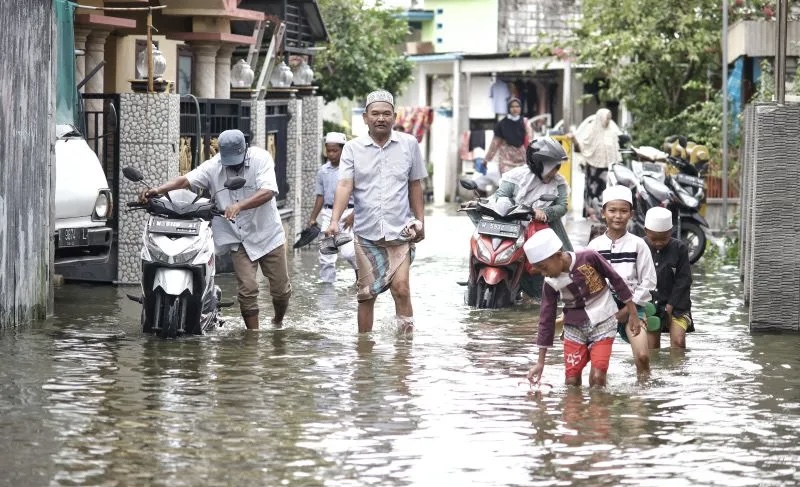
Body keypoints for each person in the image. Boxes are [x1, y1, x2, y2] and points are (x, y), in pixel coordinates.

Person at [139, 129, 291, 330]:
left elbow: (269, 191)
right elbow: (186, 180)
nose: (233, 166)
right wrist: (158, 190)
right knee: (247, 290)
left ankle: (278, 322)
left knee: (281, 291)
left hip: (268, 234)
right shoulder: (215, 165)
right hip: (238, 238)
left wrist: (239, 205)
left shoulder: (261, 159)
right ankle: (253, 339)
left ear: (245, 149)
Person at [324, 90, 428, 334]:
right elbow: (344, 185)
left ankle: (405, 350)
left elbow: (415, 185)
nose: (381, 118)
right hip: (366, 234)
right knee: (366, 295)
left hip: (400, 231)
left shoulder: (409, 144)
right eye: (375, 114)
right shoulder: (352, 148)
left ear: (394, 116)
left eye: (386, 114)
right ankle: (364, 351)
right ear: (365, 118)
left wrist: (421, 221)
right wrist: (334, 221)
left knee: (401, 288)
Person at [525, 228, 639, 388]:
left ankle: (598, 410)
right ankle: (574, 411)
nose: (544, 274)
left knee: (598, 378)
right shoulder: (550, 283)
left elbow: (615, 279)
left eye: (545, 268)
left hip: (604, 323)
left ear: (558, 256)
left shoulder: (588, 257)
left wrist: (633, 313)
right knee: (571, 381)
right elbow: (546, 319)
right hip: (574, 329)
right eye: (540, 270)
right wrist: (540, 362)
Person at [587, 185, 657, 376]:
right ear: (603, 213)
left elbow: (648, 282)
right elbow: (588, 281)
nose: (618, 216)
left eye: (623, 211)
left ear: (631, 214)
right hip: (603, 310)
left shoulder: (638, 244)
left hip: (634, 308)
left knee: (643, 357)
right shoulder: (594, 246)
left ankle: (643, 397)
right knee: (598, 367)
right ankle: (599, 400)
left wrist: (629, 309)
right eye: (612, 210)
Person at [492, 137, 573, 299]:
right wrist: (509, 206)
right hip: (513, 228)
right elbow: (500, 195)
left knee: (564, 267)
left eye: (557, 167)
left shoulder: (559, 183)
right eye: (552, 167)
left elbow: (562, 206)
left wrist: (545, 213)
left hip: (547, 229)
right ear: (539, 164)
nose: (556, 171)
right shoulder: (515, 177)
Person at [306, 132, 358, 284]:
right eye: (328, 150)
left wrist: (354, 214)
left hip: (349, 213)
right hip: (328, 214)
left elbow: (362, 195)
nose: (331, 154)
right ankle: (327, 289)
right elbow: (320, 196)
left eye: (335, 150)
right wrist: (313, 217)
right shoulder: (323, 170)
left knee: (349, 252)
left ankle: (361, 275)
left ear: (343, 150)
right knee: (326, 254)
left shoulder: (351, 169)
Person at [643, 207, 694, 349]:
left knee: (678, 342)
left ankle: (677, 371)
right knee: (651, 349)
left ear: (670, 232)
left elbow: (684, 280)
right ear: (645, 231)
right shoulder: (639, 246)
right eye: (654, 239)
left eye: (664, 239)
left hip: (677, 305)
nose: (658, 243)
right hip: (649, 306)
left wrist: (670, 306)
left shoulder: (680, 248)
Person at [571, 108, 622, 220]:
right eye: (606, 118)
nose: (608, 120)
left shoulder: (611, 131)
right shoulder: (591, 130)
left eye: (609, 118)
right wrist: (574, 140)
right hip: (592, 167)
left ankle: (601, 212)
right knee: (591, 190)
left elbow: (615, 149)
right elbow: (582, 146)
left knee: (603, 190)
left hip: (605, 168)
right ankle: (590, 213)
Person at [485, 97, 534, 174]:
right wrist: (486, 159)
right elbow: (494, 144)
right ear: (508, 108)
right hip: (506, 161)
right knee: (507, 183)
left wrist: (532, 158)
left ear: (521, 108)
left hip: (521, 160)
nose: (515, 109)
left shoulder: (525, 122)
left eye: (517, 106)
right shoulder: (501, 124)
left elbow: (531, 141)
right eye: (512, 107)